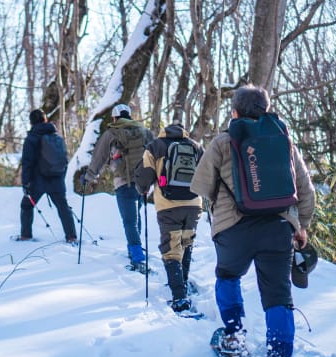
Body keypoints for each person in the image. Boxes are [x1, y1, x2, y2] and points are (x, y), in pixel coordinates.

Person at [190, 85, 315, 357]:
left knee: (228, 276)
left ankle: (234, 338)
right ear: (267, 108)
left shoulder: (223, 142)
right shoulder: (284, 142)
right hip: (278, 228)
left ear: (234, 111)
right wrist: (301, 226)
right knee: (278, 294)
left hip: (233, 228)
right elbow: (306, 191)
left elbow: (201, 186)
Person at [135, 122, 203, 313]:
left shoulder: (155, 146)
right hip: (193, 204)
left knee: (171, 248)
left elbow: (144, 177)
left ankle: (179, 297)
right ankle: (183, 283)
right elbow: (208, 174)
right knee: (186, 243)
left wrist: (142, 189)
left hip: (168, 205)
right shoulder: (196, 146)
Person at [81, 104, 154, 272]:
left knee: (129, 220)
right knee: (136, 216)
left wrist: (89, 176)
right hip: (143, 182)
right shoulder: (144, 131)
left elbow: (99, 157)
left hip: (123, 182)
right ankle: (136, 247)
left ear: (115, 118)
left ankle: (136, 255)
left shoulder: (111, 133)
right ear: (129, 115)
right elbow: (155, 154)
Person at [16, 109, 77, 243]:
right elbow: (64, 161)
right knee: (63, 207)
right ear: (45, 120)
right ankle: (71, 236)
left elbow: (27, 162)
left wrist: (26, 183)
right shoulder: (57, 138)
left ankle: (25, 236)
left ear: (31, 122)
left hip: (38, 181)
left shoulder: (31, 138)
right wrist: (60, 178)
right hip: (57, 180)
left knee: (26, 205)